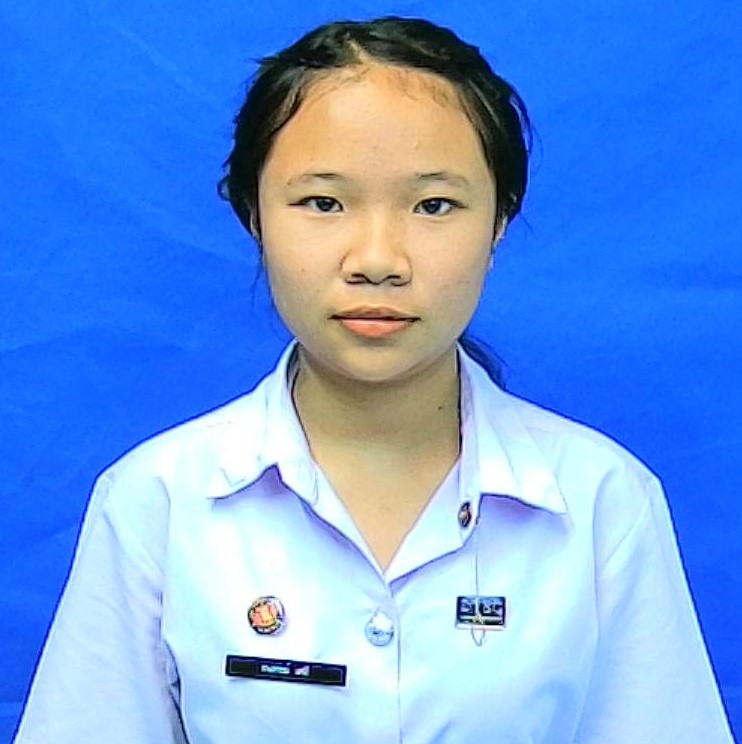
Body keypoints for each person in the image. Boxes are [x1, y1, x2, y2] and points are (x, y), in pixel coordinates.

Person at [13, 16, 734, 744]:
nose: (378, 260)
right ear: (254, 214)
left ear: (500, 221)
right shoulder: (159, 500)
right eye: (323, 202)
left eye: (434, 205)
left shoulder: (601, 500)